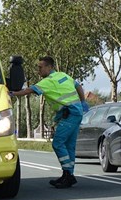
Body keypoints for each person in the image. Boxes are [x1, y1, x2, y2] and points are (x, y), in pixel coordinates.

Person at [10, 56, 89, 188]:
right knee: (69, 145)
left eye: (40, 67)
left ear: (49, 67)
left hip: (69, 114)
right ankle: (68, 175)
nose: (38, 70)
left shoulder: (47, 82)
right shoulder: (63, 75)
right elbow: (78, 86)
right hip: (77, 112)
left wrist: (12, 93)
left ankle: (68, 175)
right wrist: (82, 102)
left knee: (58, 143)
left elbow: (28, 91)